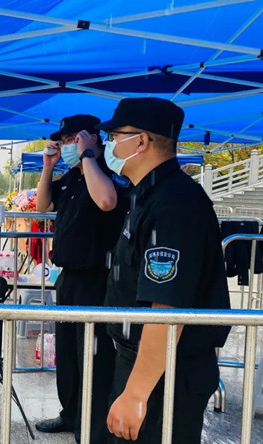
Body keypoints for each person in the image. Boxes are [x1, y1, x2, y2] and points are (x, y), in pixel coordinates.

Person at [95, 98, 231, 443]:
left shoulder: (174, 204)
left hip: (166, 373)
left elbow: (167, 310)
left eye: (114, 136)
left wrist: (136, 394)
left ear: (140, 141)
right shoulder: (150, 195)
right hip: (147, 364)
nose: (109, 145)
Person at [35, 114, 129, 444]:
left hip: (97, 279)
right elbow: (43, 205)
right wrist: (48, 167)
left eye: (70, 140)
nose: (64, 146)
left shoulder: (106, 173)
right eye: (62, 141)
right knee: (68, 354)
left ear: (90, 138)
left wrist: (88, 155)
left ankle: (92, 425)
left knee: (93, 355)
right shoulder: (72, 178)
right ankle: (70, 413)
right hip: (69, 278)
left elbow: (107, 201)